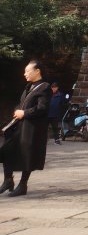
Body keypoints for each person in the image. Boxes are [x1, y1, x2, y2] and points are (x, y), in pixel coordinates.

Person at [0, 60, 51, 197]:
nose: (25, 74)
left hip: (32, 129)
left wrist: (25, 113)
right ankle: (8, 180)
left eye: (27, 71)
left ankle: (23, 185)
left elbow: (42, 108)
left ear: (37, 71)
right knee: (6, 150)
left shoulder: (45, 87)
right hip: (19, 126)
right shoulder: (29, 86)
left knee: (27, 155)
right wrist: (17, 110)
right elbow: (22, 104)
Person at [48, 80, 66, 144]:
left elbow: (63, 104)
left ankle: (57, 139)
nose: (54, 88)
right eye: (52, 87)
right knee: (44, 128)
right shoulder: (48, 94)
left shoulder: (60, 95)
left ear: (57, 88)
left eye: (55, 87)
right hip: (47, 113)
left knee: (55, 127)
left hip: (55, 114)